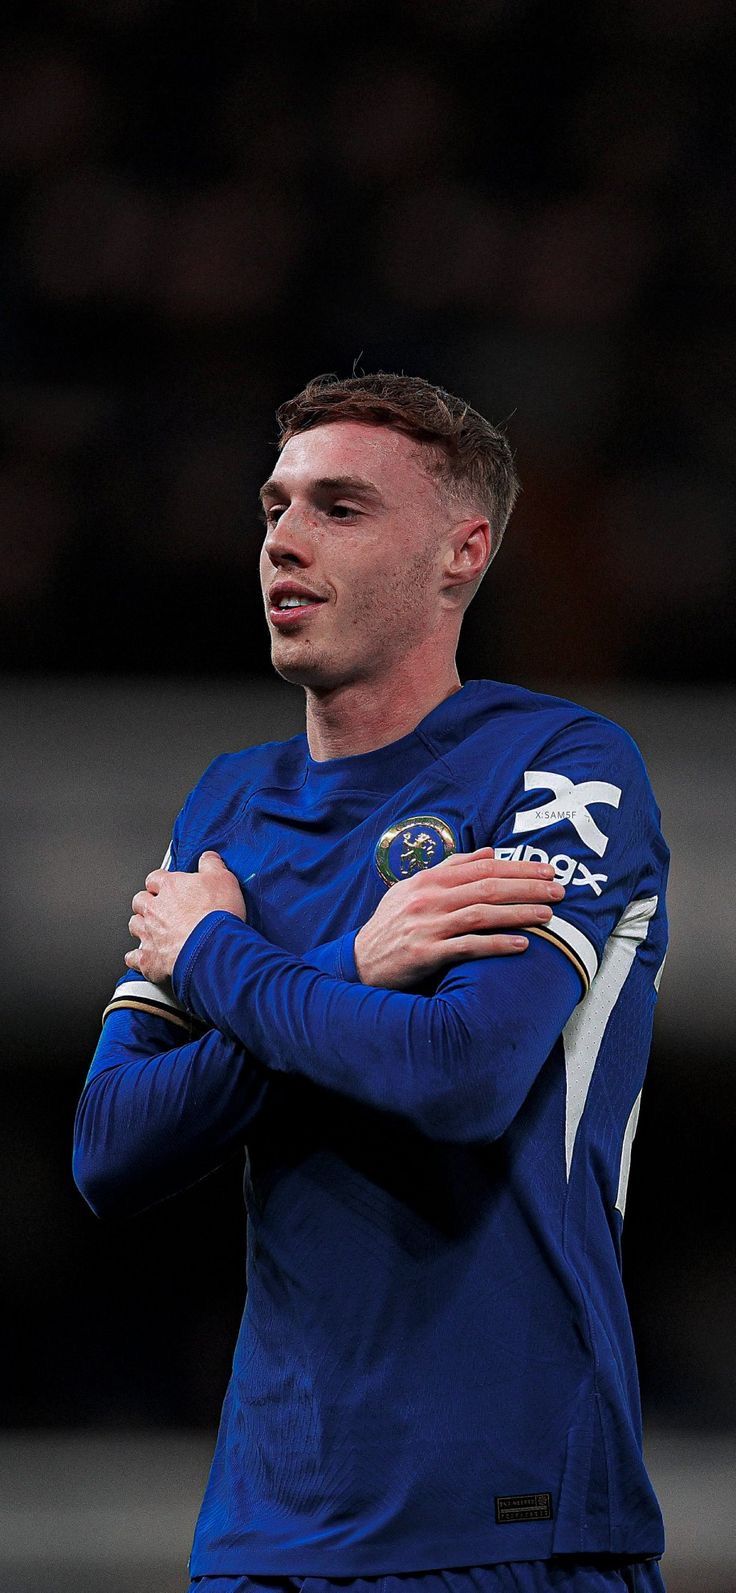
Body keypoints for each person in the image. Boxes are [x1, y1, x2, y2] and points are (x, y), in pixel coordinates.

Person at [73, 373, 669, 1593]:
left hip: (508, 1511)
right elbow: (110, 1148)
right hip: (262, 1527)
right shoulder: (227, 806)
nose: (282, 541)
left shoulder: (555, 766)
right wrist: (350, 968)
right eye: (274, 506)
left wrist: (222, 960)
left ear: (464, 552)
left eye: (339, 508)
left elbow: (460, 1074)